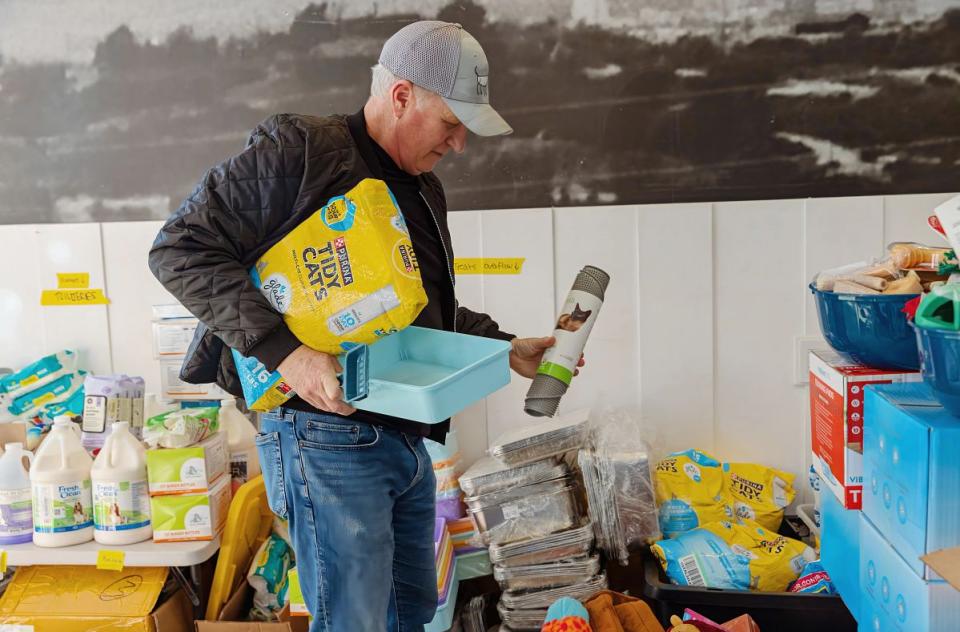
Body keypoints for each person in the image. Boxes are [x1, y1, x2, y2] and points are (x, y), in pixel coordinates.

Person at [148, 20, 584, 631]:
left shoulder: (423, 187)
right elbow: (178, 249)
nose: (459, 144)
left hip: (403, 439)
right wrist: (288, 353)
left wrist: (507, 346)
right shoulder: (300, 151)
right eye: (450, 123)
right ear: (402, 95)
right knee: (355, 620)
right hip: (324, 435)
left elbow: (417, 313)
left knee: (413, 614)